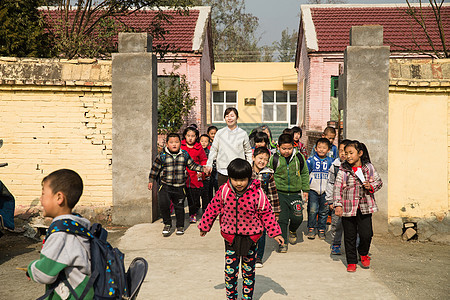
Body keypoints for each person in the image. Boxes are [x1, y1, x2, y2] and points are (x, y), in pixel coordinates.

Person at [198, 158, 283, 300]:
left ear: (249, 178)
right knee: (230, 272)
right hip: (230, 238)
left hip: (251, 238)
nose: (238, 183)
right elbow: (212, 208)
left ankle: (247, 297)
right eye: (234, 179)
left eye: (242, 179)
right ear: (229, 178)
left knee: (249, 271)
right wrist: (205, 226)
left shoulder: (257, 193)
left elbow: (267, 213)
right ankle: (231, 297)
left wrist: (275, 233)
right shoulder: (224, 191)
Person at [27, 169, 94, 299]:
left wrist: (31, 269)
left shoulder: (61, 235)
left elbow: (44, 274)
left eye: (43, 194)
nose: (40, 200)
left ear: (59, 198)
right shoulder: (76, 226)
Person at [333, 140, 383, 272]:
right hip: (348, 208)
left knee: (367, 234)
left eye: (351, 153)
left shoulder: (369, 168)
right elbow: (337, 188)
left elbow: (379, 182)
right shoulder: (343, 170)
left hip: (365, 206)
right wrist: (338, 205)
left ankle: (363, 252)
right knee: (350, 236)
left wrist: (371, 186)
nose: (348, 156)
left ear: (360, 153)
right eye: (346, 153)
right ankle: (351, 261)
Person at [148, 133, 207, 236]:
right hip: (165, 186)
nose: (174, 145)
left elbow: (192, 165)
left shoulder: (184, 154)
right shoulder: (162, 156)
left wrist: (203, 169)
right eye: (171, 142)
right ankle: (167, 224)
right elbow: (155, 169)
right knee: (164, 205)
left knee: (179, 207)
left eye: (176, 142)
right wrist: (151, 180)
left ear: (180, 143)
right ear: (167, 144)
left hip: (179, 187)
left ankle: (180, 226)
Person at [268, 133, 309, 253]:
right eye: (284, 148)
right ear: (278, 147)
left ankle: (293, 230)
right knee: (282, 219)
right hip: (279, 193)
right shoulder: (274, 158)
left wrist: (305, 190)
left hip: (295, 193)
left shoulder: (299, 157)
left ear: (293, 146)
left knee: (298, 217)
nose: (286, 151)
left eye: (289, 148)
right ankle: (282, 243)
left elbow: (305, 173)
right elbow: (269, 174)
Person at [205, 108, 252, 187]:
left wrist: (249, 166)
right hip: (223, 170)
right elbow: (214, 150)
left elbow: (248, 151)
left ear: (237, 118)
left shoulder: (242, 133)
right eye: (227, 116)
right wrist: (209, 164)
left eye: (232, 116)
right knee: (223, 195)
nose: (229, 118)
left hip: (239, 170)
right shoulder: (220, 133)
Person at [251, 147, 280, 268]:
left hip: (263, 208)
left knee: (262, 234)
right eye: (260, 158)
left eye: (265, 159)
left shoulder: (268, 174)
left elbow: (273, 193)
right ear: (253, 158)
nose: (262, 161)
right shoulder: (247, 172)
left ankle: (259, 257)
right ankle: (249, 254)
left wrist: (276, 212)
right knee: (250, 232)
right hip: (249, 208)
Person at [326, 139, 351, 255]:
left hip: (351, 202)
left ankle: (354, 247)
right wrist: (330, 200)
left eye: (345, 151)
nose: (342, 154)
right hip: (337, 201)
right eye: (340, 151)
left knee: (352, 226)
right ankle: (336, 244)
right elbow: (330, 183)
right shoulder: (335, 166)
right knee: (336, 224)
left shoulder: (355, 167)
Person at [306, 138, 334, 240]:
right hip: (313, 190)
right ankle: (311, 228)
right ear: (316, 148)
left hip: (326, 191)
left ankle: (321, 228)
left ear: (328, 150)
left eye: (324, 148)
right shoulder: (310, 161)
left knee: (324, 211)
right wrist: (305, 189)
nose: (321, 150)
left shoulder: (331, 161)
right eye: (319, 147)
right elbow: (305, 175)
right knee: (313, 210)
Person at [181, 126, 208, 224]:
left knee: (194, 197)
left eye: (193, 136)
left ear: (196, 137)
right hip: (182, 176)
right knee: (182, 196)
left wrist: (202, 170)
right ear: (185, 136)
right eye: (188, 136)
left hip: (195, 176)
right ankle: (180, 213)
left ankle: (193, 213)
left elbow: (203, 159)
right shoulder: (181, 146)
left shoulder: (199, 147)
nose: (190, 138)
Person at [199, 134, 213, 211]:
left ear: (208, 143)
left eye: (205, 141)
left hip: (207, 176)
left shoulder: (210, 152)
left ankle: (205, 209)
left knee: (205, 193)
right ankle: (197, 207)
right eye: (202, 141)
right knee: (197, 193)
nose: (203, 143)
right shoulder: (197, 151)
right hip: (198, 175)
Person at [207, 126, 219, 198]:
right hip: (209, 168)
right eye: (212, 133)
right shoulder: (206, 143)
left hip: (218, 167)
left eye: (215, 133)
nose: (214, 135)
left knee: (217, 184)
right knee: (209, 186)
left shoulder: (219, 143)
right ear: (208, 134)